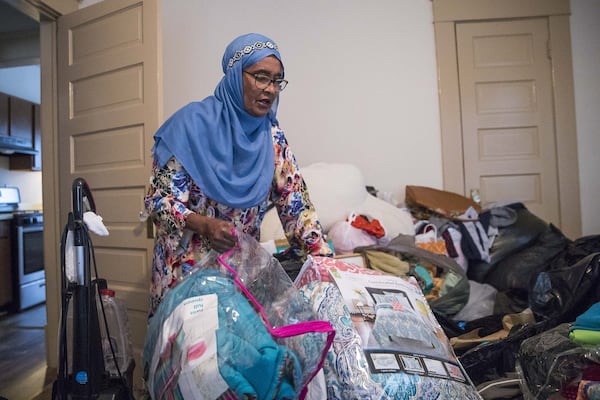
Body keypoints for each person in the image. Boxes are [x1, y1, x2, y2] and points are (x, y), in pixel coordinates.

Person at [144, 33, 332, 315]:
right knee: (193, 357)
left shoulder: (272, 139)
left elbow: (297, 208)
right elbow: (157, 203)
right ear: (235, 75)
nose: (270, 89)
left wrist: (325, 264)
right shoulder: (190, 126)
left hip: (240, 279)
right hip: (184, 278)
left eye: (277, 80)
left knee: (242, 355)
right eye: (261, 77)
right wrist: (204, 224)